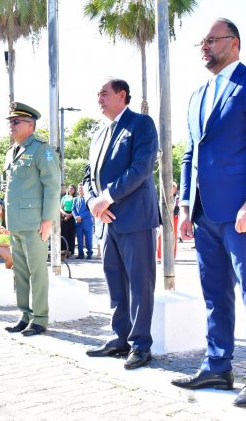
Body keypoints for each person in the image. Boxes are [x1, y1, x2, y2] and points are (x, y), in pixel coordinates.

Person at [174, 19, 246, 408]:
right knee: (214, 293)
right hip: (204, 215)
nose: (204, 46)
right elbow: (191, 154)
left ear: (233, 43)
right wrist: (185, 205)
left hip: (243, 211)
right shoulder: (196, 96)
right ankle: (218, 365)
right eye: (201, 42)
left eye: (211, 40)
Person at [82, 79, 159, 370]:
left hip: (135, 217)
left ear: (121, 95)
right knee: (114, 281)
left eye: (104, 93)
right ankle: (120, 338)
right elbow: (88, 175)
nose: (99, 98)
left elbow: (141, 167)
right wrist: (92, 202)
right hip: (106, 220)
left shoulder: (141, 124)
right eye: (98, 94)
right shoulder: (99, 133)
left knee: (140, 283)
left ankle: (141, 345)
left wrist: (107, 197)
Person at [2, 102, 60, 336]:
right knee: (21, 272)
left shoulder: (41, 150)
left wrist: (48, 219)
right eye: (10, 122)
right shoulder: (11, 151)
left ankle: (40, 318)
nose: (11, 126)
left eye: (16, 122)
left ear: (31, 125)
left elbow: (52, 186)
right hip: (16, 222)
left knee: (37, 271)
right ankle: (25, 315)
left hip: (35, 222)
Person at [72, 184, 94, 259]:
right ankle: (80, 254)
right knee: (79, 239)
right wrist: (75, 217)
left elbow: (89, 210)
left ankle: (89, 253)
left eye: (81, 188)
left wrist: (80, 216)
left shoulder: (88, 199)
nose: (80, 189)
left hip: (87, 222)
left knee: (88, 238)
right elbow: (73, 209)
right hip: (78, 222)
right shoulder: (75, 199)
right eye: (79, 188)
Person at [59, 184, 77, 257]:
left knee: (71, 234)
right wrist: (64, 214)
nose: (70, 190)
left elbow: (76, 208)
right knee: (64, 233)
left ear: (74, 190)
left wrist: (69, 215)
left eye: (72, 189)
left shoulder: (76, 198)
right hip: (64, 216)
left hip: (72, 216)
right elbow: (60, 207)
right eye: (69, 188)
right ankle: (63, 251)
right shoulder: (64, 197)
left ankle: (70, 251)